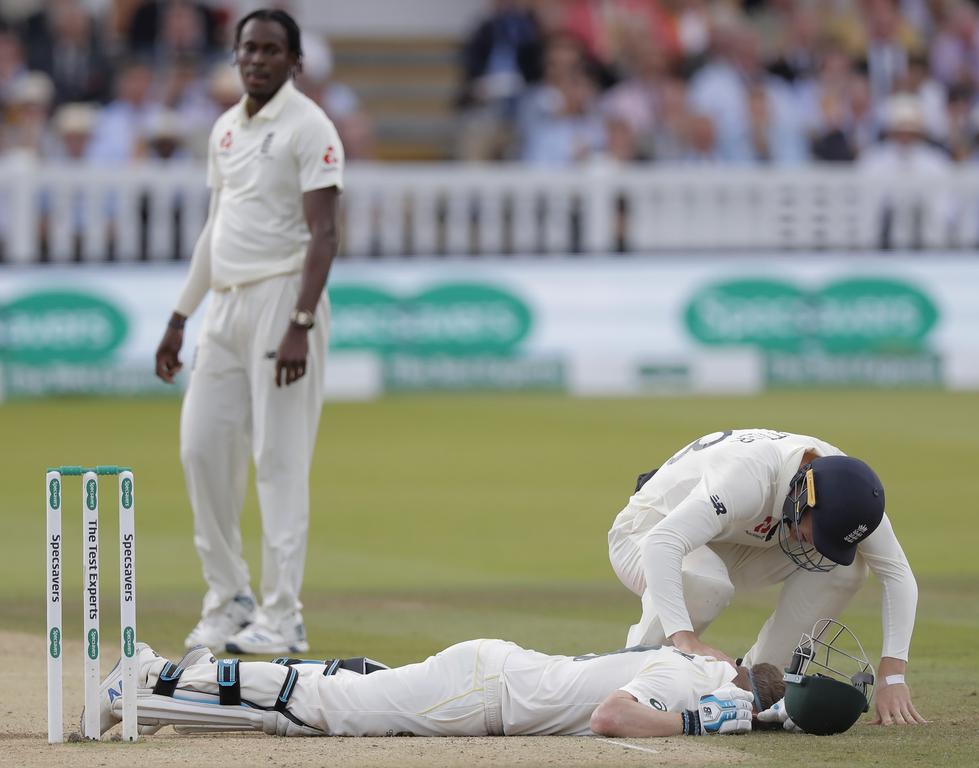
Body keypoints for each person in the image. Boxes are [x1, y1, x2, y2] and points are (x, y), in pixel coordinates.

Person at [154, 8, 344, 655]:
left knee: (279, 461)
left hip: (283, 298)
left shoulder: (310, 126)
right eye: (247, 50)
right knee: (201, 449)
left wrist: (299, 321)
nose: (257, 60)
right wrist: (181, 316)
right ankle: (228, 597)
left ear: (294, 64)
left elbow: (325, 233)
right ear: (235, 57)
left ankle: (282, 615)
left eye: (270, 51)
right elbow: (217, 228)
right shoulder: (226, 130)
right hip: (226, 308)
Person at [607, 428, 926, 727]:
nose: (816, 545)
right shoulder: (747, 476)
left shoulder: (850, 491)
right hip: (647, 531)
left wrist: (892, 676)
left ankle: (760, 688)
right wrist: (686, 640)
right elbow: (664, 543)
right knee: (705, 582)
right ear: (806, 497)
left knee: (846, 565)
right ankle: (630, 684)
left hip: (737, 536)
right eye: (820, 533)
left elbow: (897, 574)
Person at [91, 636, 786, 738]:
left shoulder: (694, 663)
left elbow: (701, 644)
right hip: (483, 693)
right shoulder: (684, 678)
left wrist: (758, 711)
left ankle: (171, 691)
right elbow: (611, 717)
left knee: (341, 686)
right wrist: (701, 723)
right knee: (329, 711)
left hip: (489, 676)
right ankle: (155, 680)